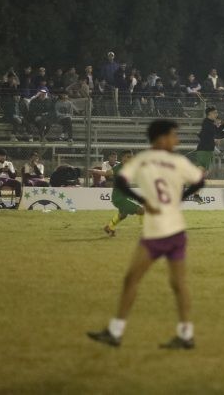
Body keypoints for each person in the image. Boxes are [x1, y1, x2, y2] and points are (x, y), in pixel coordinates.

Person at [87, 119, 205, 349]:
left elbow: (121, 182)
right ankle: (186, 335)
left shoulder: (143, 160)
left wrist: (142, 200)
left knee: (132, 279)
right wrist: (180, 198)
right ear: (161, 138)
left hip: (156, 232)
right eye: (173, 135)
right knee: (178, 284)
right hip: (175, 230)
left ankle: (116, 331)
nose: (177, 139)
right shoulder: (178, 161)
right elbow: (200, 180)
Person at [99, 150, 145, 237]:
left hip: (124, 196)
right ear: (123, 158)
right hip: (120, 198)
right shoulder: (118, 168)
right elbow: (107, 173)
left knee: (123, 215)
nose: (131, 159)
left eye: (131, 157)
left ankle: (109, 227)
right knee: (142, 211)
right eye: (129, 157)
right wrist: (94, 171)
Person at [192, 106, 224, 203]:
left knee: (204, 173)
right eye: (215, 113)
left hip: (207, 150)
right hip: (204, 150)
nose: (217, 114)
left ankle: (196, 194)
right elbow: (216, 132)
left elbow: (217, 133)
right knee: (202, 172)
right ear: (210, 114)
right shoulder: (207, 123)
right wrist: (223, 125)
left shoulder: (210, 123)